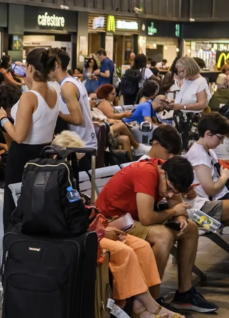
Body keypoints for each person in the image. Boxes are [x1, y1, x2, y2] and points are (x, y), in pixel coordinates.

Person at [52, 130, 182, 318]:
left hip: (93, 227)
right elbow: (67, 221)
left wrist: (102, 228)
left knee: (143, 247)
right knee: (126, 251)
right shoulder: (54, 180)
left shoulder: (67, 177)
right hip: (80, 234)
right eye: (76, 157)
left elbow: (82, 213)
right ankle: (149, 308)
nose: (78, 162)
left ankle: (142, 306)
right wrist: (102, 231)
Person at [95, 156, 218, 312]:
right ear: (162, 174)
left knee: (191, 228)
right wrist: (174, 211)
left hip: (131, 218)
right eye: (169, 189)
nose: (170, 195)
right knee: (163, 236)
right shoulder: (147, 172)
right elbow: (147, 219)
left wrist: (180, 218)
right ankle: (151, 302)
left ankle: (184, 294)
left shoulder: (167, 174)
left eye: (176, 192)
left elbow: (179, 207)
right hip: (112, 223)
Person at [0, 48, 59, 231]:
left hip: (22, 157)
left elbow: (19, 136)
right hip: (43, 155)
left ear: (29, 67)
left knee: (15, 209)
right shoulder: (54, 92)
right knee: (36, 206)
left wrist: (2, 119)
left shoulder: (29, 97)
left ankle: (12, 248)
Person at [51, 48, 98, 165]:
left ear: (56, 64)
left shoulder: (67, 86)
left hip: (82, 148)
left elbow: (77, 119)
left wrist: (58, 113)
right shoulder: (74, 81)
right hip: (84, 145)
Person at [184, 113, 229, 226]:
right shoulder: (199, 155)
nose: (222, 142)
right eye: (220, 138)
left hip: (218, 197)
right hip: (203, 206)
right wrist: (224, 177)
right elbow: (211, 189)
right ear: (208, 133)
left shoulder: (208, 150)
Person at [89, 93, 150, 159]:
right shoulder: (87, 112)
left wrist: (116, 121)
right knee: (121, 126)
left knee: (125, 138)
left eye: (96, 99)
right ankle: (137, 146)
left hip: (108, 130)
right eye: (92, 99)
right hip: (99, 133)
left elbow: (108, 119)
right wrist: (120, 118)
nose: (94, 101)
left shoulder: (96, 110)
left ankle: (129, 164)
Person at [168, 56, 212, 149]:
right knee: (177, 147)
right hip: (179, 118)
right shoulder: (187, 80)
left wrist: (181, 106)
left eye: (181, 71)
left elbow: (202, 104)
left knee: (189, 149)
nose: (180, 74)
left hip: (191, 120)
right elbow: (186, 98)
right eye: (178, 71)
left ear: (189, 68)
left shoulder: (201, 82)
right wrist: (174, 101)